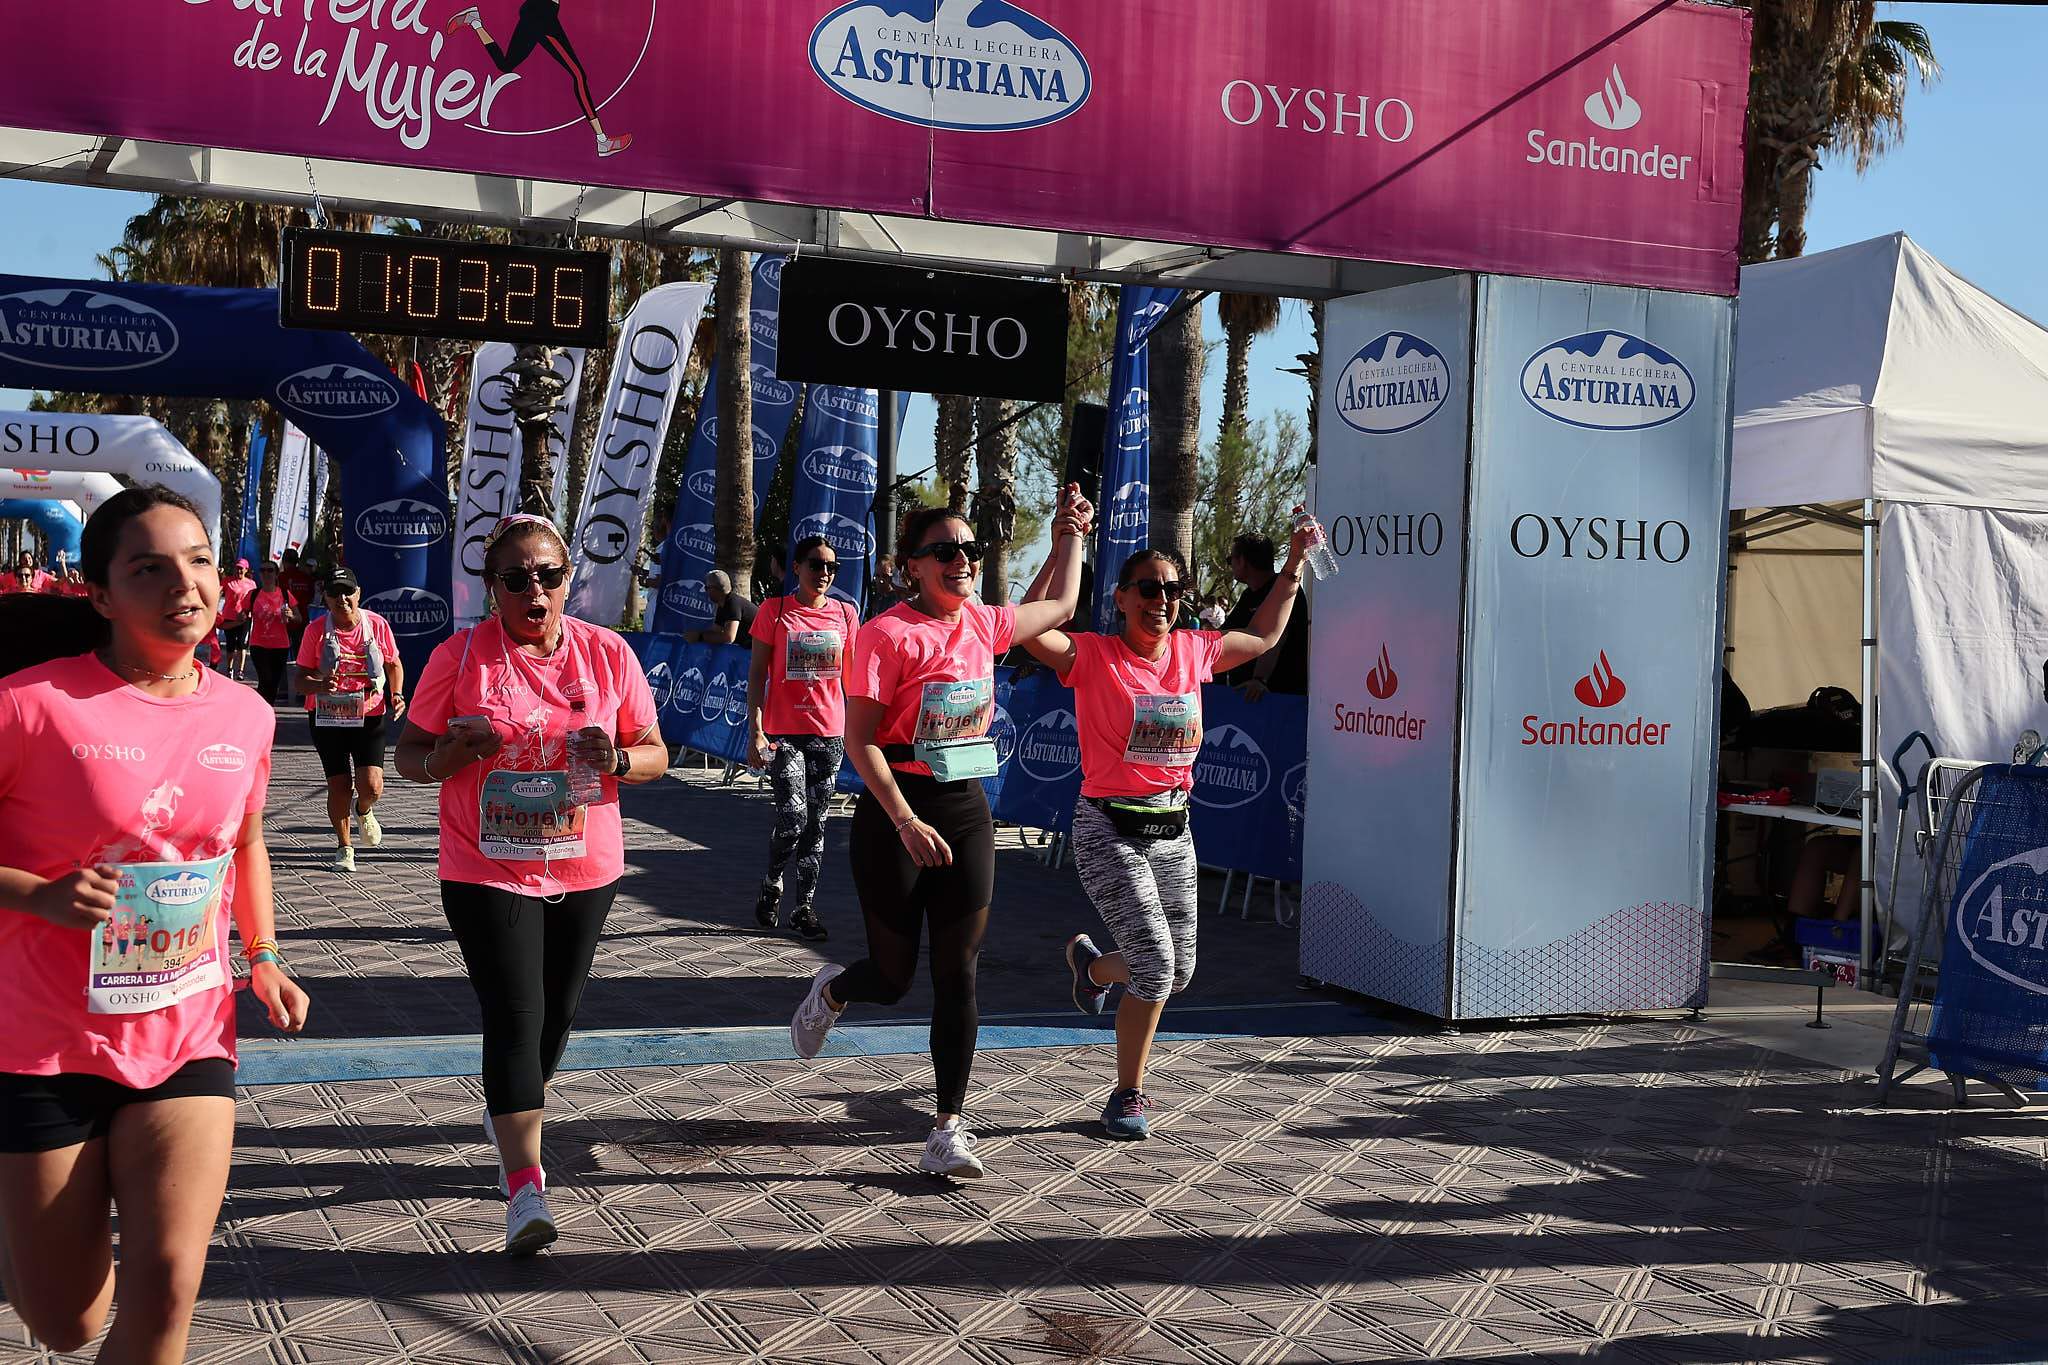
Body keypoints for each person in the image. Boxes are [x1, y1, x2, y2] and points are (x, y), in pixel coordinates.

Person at [0, 486, 308, 1362]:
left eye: (200, 560)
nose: (187, 583)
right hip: (42, 1043)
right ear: (98, 592)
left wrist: (265, 955)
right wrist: (41, 896)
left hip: (188, 1028)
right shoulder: (29, 705)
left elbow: (244, 842)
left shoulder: (245, 713)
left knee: (170, 1284)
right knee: (67, 1324)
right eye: (150, 568)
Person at [788, 486, 1094, 1180]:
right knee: (893, 979)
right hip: (894, 806)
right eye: (945, 550)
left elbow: (1064, 606)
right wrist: (903, 817)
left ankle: (948, 1128)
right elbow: (858, 741)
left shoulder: (982, 623)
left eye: (971, 550)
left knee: (959, 972)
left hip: (962, 805)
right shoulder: (885, 633)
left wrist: (1071, 531)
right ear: (910, 567)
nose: (962, 560)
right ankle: (834, 990)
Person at [393, 514, 664, 1256]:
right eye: (515, 577)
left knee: (556, 1014)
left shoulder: (608, 656)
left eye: (547, 574)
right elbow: (408, 756)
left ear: (568, 579)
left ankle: (512, 1103)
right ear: (493, 589)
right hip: (487, 861)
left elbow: (654, 753)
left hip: (586, 861)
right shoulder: (460, 657)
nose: (533, 588)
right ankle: (525, 1189)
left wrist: (616, 762)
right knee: (517, 1013)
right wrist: (448, 751)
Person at [1026, 528, 1312, 1140]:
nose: (1162, 599)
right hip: (1109, 827)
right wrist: (1065, 546)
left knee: (1178, 973)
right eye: (1148, 588)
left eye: (1172, 589)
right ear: (1122, 599)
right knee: (1156, 969)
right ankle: (1128, 1094)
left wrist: (1293, 563)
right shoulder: (1095, 657)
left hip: (1174, 827)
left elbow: (1263, 635)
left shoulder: (1192, 651)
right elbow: (1025, 629)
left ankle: (1094, 970)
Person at [745, 536, 855, 943]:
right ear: (796, 568)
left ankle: (804, 908)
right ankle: (773, 881)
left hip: (830, 734)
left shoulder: (845, 614)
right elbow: (757, 674)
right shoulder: (774, 612)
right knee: (793, 817)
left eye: (832, 567)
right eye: (816, 564)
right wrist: (755, 730)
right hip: (783, 733)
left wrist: (863, 731)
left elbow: (853, 678)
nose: (824, 573)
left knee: (817, 824)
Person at [294, 568, 405, 872]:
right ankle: (345, 847)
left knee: (371, 786)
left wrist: (396, 694)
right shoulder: (316, 631)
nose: (341, 599)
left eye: (347, 592)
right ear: (325, 599)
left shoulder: (377, 625)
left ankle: (363, 809)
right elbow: (300, 680)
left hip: (368, 713)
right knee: (339, 785)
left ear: (358, 594)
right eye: (334, 593)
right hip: (327, 716)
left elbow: (394, 664)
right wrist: (318, 686)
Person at [445, 2, 633, 157]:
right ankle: (602, 141)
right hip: (542, 13)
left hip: (537, 12)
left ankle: (474, 21)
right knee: (578, 75)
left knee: (505, 65)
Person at [1219, 533, 1311, 698]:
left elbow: (1276, 638)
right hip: (1248, 697)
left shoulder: (1286, 592)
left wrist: (1259, 680)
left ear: (1243, 561)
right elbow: (1223, 635)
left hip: (1279, 698)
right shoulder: (1248, 595)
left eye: (1230, 559)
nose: (1230, 565)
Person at [248, 561, 294, 705]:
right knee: (265, 679)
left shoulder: (285, 594)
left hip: (280, 645)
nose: (266, 574)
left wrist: (291, 614)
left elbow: (298, 617)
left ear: (276, 574)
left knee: (274, 682)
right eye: (263, 570)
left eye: (270, 570)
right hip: (258, 644)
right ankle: (262, 711)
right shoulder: (253, 594)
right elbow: (242, 615)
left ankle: (268, 709)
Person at [684, 570, 757, 646]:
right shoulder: (723, 605)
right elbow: (716, 631)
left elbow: (729, 638)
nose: (705, 592)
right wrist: (695, 634)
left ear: (715, 589)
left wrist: (700, 637)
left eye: (707, 588)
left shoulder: (732, 603)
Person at [214, 558, 256, 682]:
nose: (239, 570)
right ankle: (230, 668)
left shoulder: (252, 584)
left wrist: (249, 612)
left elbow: (254, 601)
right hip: (229, 617)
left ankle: (241, 670)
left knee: (243, 644)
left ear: (246, 569)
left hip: (244, 617)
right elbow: (216, 592)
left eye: (241, 568)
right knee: (230, 644)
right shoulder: (227, 581)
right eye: (237, 568)